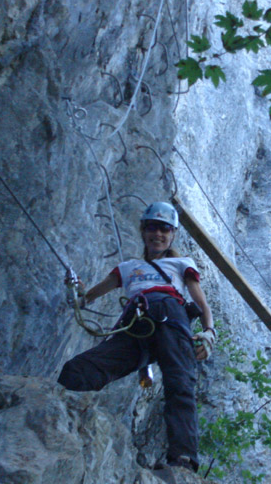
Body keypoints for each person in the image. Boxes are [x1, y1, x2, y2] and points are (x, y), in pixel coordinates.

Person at [57, 201, 215, 472]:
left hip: (170, 317)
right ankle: (60, 417)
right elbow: (87, 299)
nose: (158, 234)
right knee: (79, 369)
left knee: (179, 384)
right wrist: (79, 293)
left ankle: (183, 460)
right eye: (153, 227)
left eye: (165, 229)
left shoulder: (181, 264)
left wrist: (210, 332)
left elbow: (201, 302)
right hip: (135, 326)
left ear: (173, 234)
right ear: (143, 231)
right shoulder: (128, 267)